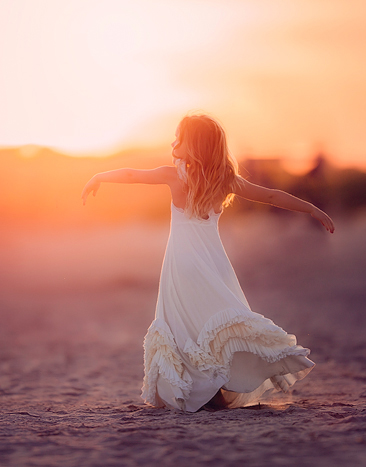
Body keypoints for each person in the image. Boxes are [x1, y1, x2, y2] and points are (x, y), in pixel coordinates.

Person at [81, 113, 334, 412]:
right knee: (218, 322)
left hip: (180, 264)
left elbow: (132, 175)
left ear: (194, 145)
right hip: (213, 263)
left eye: (180, 136)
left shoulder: (173, 175)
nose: (174, 141)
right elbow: (271, 196)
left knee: (184, 327)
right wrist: (313, 210)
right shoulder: (225, 181)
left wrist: (99, 176)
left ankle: (199, 389)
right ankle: (215, 388)